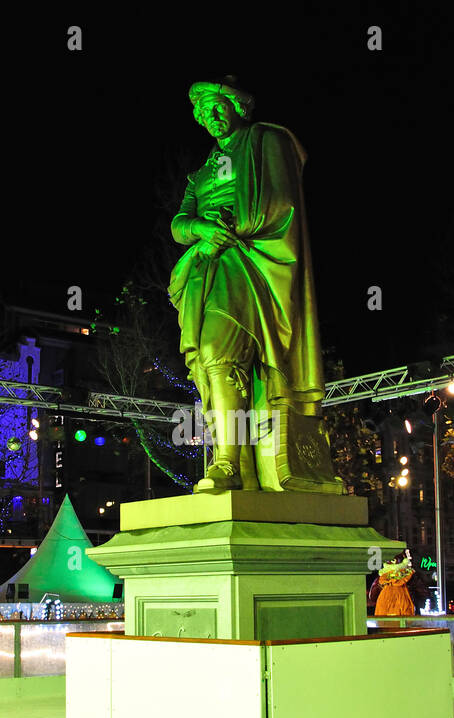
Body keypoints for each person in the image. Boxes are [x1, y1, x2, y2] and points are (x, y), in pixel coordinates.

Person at [169, 77, 342, 494]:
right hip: (208, 264)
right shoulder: (201, 173)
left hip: (253, 259)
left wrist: (233, 228)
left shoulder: (267, 140)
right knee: (210, 363)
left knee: (215, 349)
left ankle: (229, 462)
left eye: (217, 106)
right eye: (202, 112)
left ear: (237, 105)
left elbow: (283, 201)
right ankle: (231, 462)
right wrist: (201, 230)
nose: (209, 116)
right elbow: (178, 223)